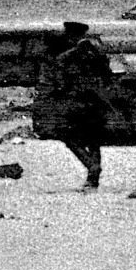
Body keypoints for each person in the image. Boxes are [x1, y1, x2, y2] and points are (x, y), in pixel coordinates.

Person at [40, 27, 112, 190]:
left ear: (71, 36)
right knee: (94, 140)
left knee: (68, 137)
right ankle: (93, 179)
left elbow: (59, 84)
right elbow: (108, 78)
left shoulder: (65, 57)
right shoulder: (99, 55)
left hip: (74, 104)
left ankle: (91, 166)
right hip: (96, 103)